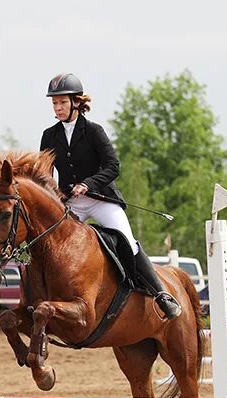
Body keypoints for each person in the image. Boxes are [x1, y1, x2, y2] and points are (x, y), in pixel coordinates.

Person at [39, 72, 181, 319]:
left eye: (62, 102)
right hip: (72, 205)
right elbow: (44, 173)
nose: (58, 107)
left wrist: (88, 184)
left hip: (101, 201)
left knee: (128, 241)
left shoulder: (93, 131)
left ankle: (161, 295)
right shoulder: (49, 135)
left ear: (76, 102)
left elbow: (113, 166)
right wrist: (53, 192)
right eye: (54, 103)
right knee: (48, 242)